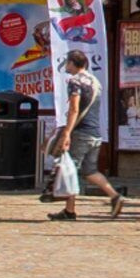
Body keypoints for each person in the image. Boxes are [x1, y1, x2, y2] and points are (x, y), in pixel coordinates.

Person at [47, 55, 125, 220]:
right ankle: (115, 196)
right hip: (95, 132)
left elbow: (75, 108)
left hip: (81, 132)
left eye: (67, 62)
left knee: (70, 170)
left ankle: (70, 210)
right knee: (89, 171)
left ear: (73, 63)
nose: (66, 66)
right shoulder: (95, 81)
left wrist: (67, 133)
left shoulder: (75, 81)